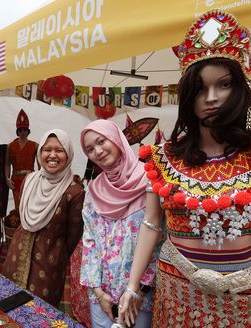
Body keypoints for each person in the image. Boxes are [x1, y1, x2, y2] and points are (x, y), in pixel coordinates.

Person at [119, 10, 251, 327]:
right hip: (174, 297)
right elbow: (152, 224)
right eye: (199, 88)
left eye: (224, 84)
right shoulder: (163, 158)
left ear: (242, 87)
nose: (211, 98)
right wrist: (132, 285)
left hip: (239, 306)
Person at [80, 120, 157, 328]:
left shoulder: (150, 179)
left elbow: (160, 240)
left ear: (116, 138)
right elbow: (89, 242)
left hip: (140, 298)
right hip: (102, 297)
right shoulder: (94, 189)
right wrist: (98, 292)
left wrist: (140, 291)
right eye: (90, 149)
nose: (98, 151)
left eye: (101, 141)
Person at [3, 129, 85, 307]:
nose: (52, 155)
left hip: (48, 264)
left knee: (40, 313)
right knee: (10, 307)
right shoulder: (29, 180)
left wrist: (54, 251)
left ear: (68, 154)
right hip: (16, 253)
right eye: (47, 149)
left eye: (59, 150)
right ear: (40, 153)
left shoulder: (74, 192)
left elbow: (72, 237)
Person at [5, 109, 39, 210]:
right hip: (15, 180)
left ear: (28, 131)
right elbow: (7, 164)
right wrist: (7, 179)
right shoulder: (10, 146)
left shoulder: (35, 145)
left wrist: (39, 180)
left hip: (30, 179)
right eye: (20, 130)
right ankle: (19, 225)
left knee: (29, 206)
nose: (22, 132)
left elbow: (41, 165)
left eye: (24, 130)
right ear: (17, 132)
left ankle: (28, 225)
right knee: (18, 206)